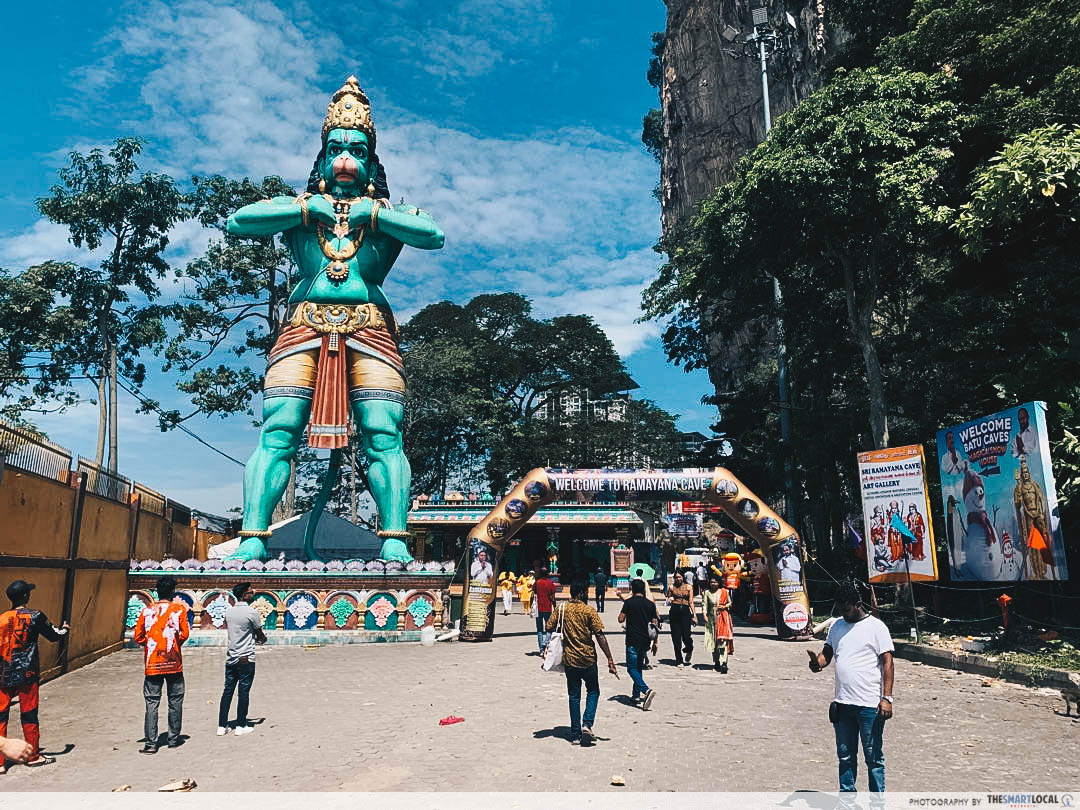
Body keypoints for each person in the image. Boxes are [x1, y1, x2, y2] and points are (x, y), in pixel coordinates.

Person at [807, 581, 894, 798]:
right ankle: (847, 800)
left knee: (873, 758)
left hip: (869, 706)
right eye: (839, 609)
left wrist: (887, 698)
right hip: (843, 703)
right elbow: (827, 653)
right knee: (845, 757)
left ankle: (877, 803)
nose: (843, 613)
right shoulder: (837, 625)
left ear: (857, 604)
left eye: (846, 609)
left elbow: (888, 663)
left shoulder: (876, 627)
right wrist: (817, 663)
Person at [0, 579, 69, 769]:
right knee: (29, 716)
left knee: (0, 717)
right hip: (27, 674)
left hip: (3, 674)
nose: (29, 595)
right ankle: (33, 756)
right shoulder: (35, 616)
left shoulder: (2, 618)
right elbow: (54, 634)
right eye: (28, 592)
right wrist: (65, 630)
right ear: (24, 596)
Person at [544, 580, 617, 745]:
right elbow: (600, 636)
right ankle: (587, 724)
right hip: (588, 659)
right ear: (583, 593)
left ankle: (575, 734)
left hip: (570, 660)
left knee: (574, 696)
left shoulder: (562, 608)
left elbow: (549, 626)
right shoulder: (589, 611)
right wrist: (610, 659)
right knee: (593, 691)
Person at [133, 575, 190, 753]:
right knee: (175, 700)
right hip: (173, 662)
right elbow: (184, 634)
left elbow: (138, 637)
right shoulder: (179, 610)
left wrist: (151, 644)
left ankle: (151, 743)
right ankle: (173, 738)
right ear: (172, 592)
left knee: (152, 702)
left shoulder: (147, 611)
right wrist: (173, 644)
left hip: (152, 664)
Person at [218, 582, 266, 737]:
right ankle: (240, 724)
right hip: (246, 657)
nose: (253, 594)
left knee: (227, 691)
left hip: (231, 657)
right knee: (243, 692)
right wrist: (261, 639)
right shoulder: (251, 613)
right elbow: (260, 634)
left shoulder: (229, 612)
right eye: (251, 592)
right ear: (245, 595)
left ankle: (221, 725)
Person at [617, 578, 658, 710]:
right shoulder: (650, 604)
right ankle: (635, 695)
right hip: (646, 640)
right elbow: (655, 624)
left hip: (632, 639)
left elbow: (620, 619)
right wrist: (655, 642)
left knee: (631, 669)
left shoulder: (629, 603)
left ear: (633, 589)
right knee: (638, 668)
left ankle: (646, 690)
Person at [701, 574, 734, 672]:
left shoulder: (724, 592)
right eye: (711, 582)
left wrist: (724, 607)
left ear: (719, 583)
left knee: (722, 641)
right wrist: (704, 615)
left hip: (723, 619)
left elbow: (730, 603)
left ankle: (724, 662)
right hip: (712, 620)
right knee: (713, 643)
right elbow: (704, 605)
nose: (713, 584)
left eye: (715, 582)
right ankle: (716, 662)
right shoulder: (706, 593)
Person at [665, 571, 695, 668]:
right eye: (676, 577)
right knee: (676, 637)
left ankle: (689, 648)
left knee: (686, 635)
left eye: (680, 577)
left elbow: (691, 601)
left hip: (686, 612)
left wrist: (694, 615)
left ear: (683, 577)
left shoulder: (689, 587)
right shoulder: (671, 587)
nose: (678, 579)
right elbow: (668, 596)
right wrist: (670, 598)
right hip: (674, 611)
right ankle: (679, 659)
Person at [533, 568, 558, 653]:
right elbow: (553, 597)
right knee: (549, 628)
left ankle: (541, 650)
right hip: (547, 608)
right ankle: (545, 642)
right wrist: (555, 607)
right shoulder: (550, 583)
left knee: (539, 629)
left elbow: (533, 594)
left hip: (538, 609)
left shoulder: (537, 583)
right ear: (547, 574)